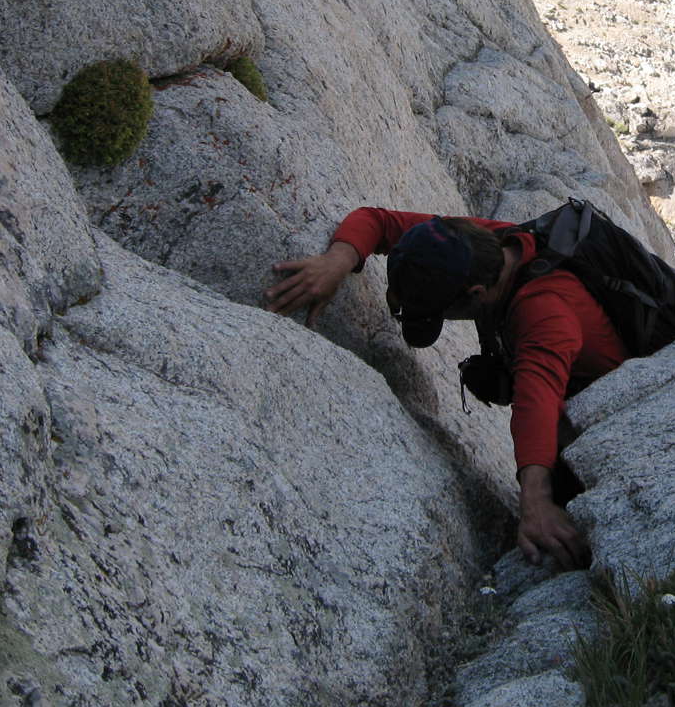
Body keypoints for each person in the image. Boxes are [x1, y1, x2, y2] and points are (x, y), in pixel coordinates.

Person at [264, 208, 628, 571]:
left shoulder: (543, 311)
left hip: (611, 418)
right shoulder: (469, 245)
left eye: (435, 311)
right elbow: (378, 221)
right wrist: (337, 261)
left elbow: (538, 401)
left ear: (477, 293)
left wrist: (536, 503)